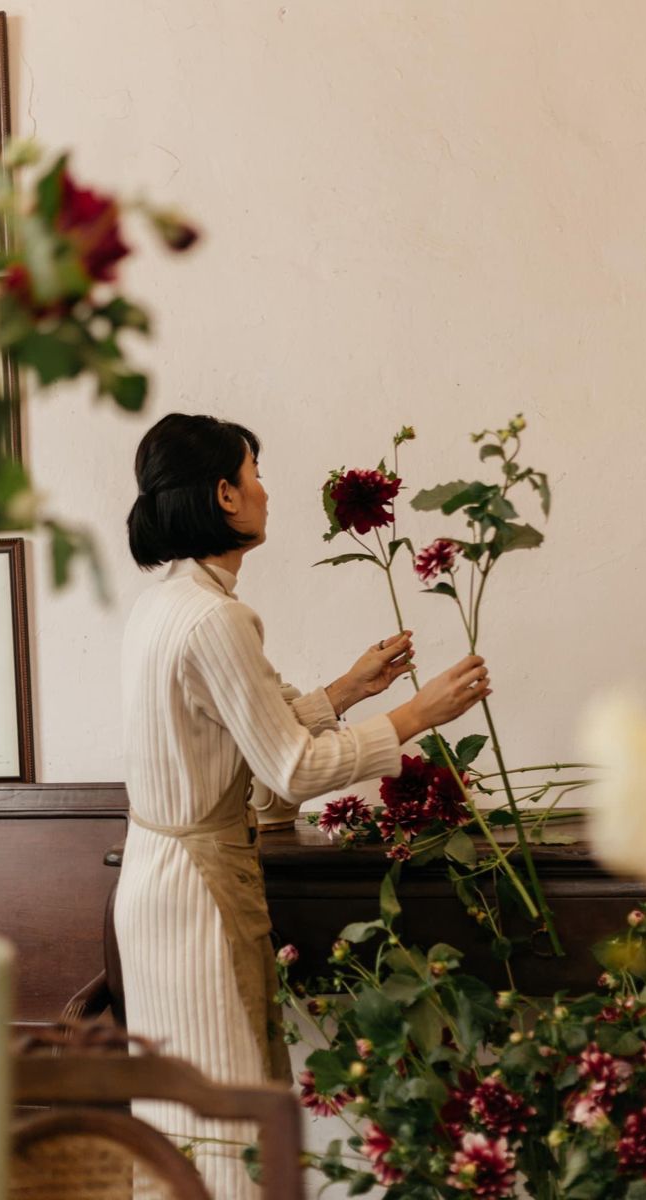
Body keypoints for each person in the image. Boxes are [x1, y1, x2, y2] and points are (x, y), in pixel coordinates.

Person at [115, 412, 491, 1199]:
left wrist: (352, 689)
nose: (263, 490)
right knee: (231, 1116)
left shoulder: (165, 602)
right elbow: (287, 765)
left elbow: (244, 719)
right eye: (252, 473)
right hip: (197, 892)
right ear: (222, 494)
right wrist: (416, 715)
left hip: (154, 880)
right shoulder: (218, 618)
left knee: (182, 1113)